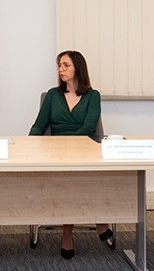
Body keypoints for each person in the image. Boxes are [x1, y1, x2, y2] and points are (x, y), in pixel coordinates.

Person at [28, 50, 110, 260]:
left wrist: (70, 145)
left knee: (75, 178)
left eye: (66, 65)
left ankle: (68, 232)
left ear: (78, 69)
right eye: (59, 65)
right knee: (71, 179)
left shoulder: (93, 96)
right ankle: (98, 221)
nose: (61, 69)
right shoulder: (53, 95)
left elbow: (88, 128)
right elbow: (39, 126)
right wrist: (26, 145)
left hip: (84, 150)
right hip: (57, 153)